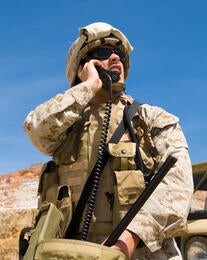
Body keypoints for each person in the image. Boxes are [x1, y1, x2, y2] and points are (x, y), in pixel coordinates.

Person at [23, 22, 194, 259]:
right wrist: (89, 86)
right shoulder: (65, 126)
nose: (115, 57)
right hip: (69, 253)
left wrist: (128, 238)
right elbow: (36, 129)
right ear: (83, 67)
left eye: (120, 55)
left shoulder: (152, 119)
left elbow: (178, 186)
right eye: (102, 54)